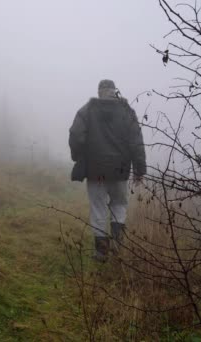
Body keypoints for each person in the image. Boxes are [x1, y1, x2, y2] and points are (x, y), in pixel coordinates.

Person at [69, 79, 146, 261]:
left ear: (99, 91)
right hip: (120, 171)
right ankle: (118, 247)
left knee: (98, 208)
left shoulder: (86, 111)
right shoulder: (127, 112)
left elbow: (75, 136)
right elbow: (136, 141)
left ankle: (101, 253)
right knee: (119, 205)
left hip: (96, 171)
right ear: (114, 91)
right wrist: (139, 170)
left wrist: (78, 156)